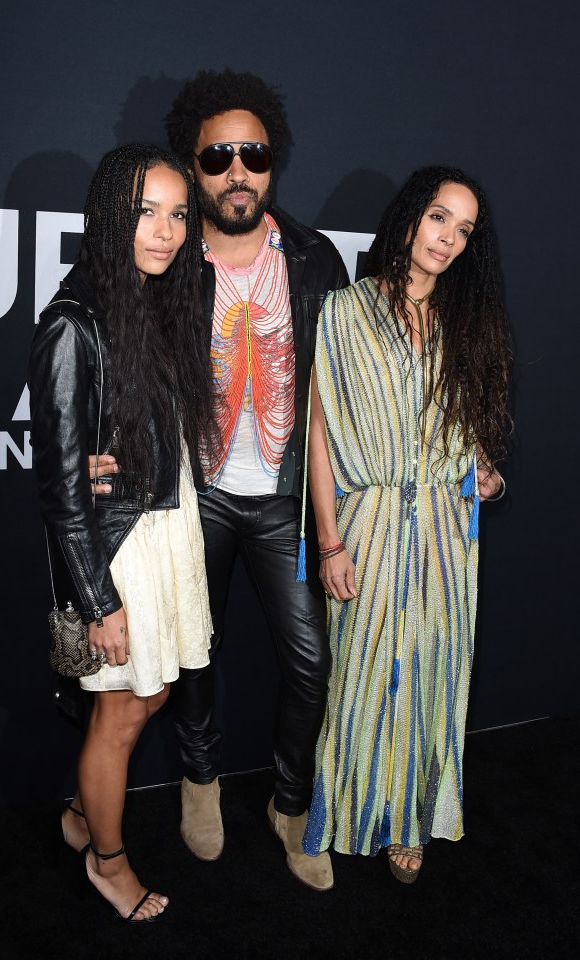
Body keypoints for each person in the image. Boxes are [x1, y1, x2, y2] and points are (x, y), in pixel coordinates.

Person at [91, 69, 349, 890]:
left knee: (311, 661)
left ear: (273, 162)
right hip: (191, 495)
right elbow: (113, 349)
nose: (238, 170)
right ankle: (199, 785)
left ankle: (289, 803)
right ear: (192, 165)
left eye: (254, 153)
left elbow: (343, 388)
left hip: (281, 499)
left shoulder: (312, 260)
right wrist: (102, 444)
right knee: (193, 659)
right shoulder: (168, 257)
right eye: (217, 157)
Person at [302, 166, 512, 883]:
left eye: (463, 229)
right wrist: (328, 539)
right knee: (363, 676)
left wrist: (483, 472)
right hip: (369, 522)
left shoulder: (463, 321)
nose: (448, 238)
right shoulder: (344, 310)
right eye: (438, 218)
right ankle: (359, 806)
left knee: (433, 673)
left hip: (449, 532)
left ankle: (414, 819)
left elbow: (463, 431)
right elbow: (320, 437)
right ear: (409, 219)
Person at [29, 144, 216, 921]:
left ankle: (80, 817)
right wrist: (99, 600)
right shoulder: (73, 324)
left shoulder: (157, 304)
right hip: (121, 546)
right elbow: (62, 492)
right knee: (119, 712)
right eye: (146, 212)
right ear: (109, 214)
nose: (166, 231)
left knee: (156, 690)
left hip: (169, 527)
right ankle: (108, 863)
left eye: (178, 214)